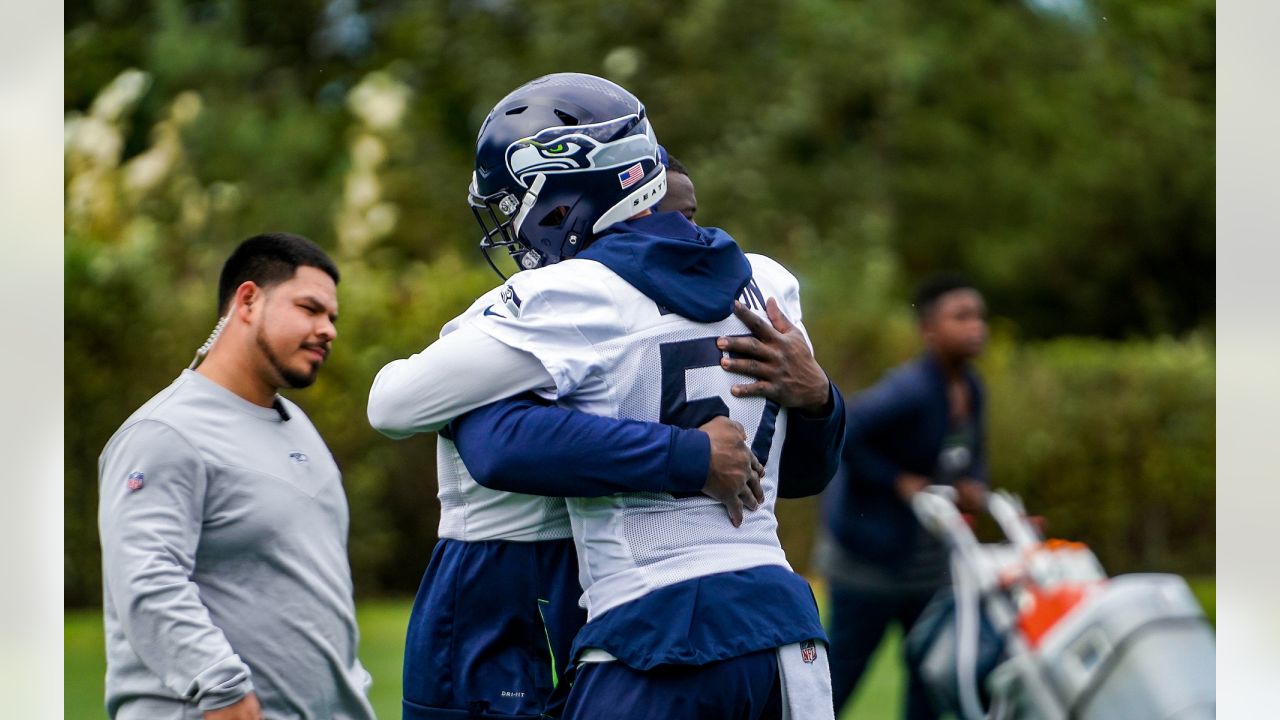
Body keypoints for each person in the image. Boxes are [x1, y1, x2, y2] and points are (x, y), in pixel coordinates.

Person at [369, 72, 846, 719]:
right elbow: (803, 473)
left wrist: (691, 457)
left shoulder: (570, 296)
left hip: (652, 626)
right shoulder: (770, 284)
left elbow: (410, 411)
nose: (516, 227)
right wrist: (819, 398)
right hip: (787, 632)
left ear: (566, 197)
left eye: (519, 206)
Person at [98, 233, 374, 720]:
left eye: (332, 317)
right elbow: (146, 579)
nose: (328, 329)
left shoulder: (297, 425)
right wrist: (221, 689)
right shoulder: (165, 431)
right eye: (310, 308)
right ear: (248, 300)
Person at [817, 273, 990, 719]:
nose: (976, 326)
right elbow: (847, 431)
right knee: (840, 679)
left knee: (930, 675)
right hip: (869, 562)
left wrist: (973, 485)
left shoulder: (971, 389)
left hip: (930, 566)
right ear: (929, 329)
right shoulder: (907, 390)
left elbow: (969, 455)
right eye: (961, 317)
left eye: (979, 316)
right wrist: (897, 481)